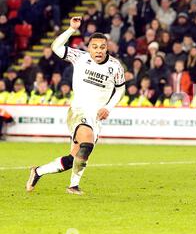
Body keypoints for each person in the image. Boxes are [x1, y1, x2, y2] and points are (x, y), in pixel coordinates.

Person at [26, 17, 126, 195]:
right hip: (78, 111)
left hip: (96, 117)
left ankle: (38, 172)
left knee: (74, 159)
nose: (98, 51)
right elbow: (56, 47)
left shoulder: (115, 66)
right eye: (94, 47)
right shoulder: (80, 57)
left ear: (107, 48)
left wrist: (108, 108)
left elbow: (120, 89)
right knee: (86, 143)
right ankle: (73, 186)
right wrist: (71, 29)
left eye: (102, 47)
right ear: (89, 47)